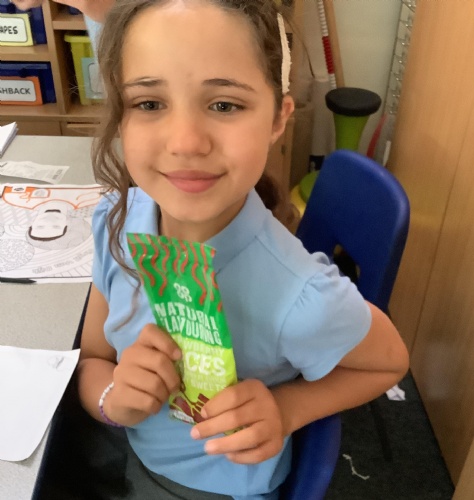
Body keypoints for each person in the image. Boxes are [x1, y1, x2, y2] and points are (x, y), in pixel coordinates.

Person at [77, 1, 410, 499]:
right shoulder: (115, 221)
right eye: (148, 103)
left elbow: (389, 362)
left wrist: (287, 409)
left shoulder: (300, 296)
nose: (186, 142)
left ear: (278, 119)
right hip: (122, 442)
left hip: (202, 485)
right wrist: (112, 399)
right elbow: (92, 358)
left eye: (224, 105)